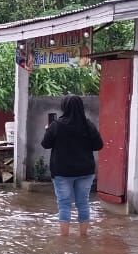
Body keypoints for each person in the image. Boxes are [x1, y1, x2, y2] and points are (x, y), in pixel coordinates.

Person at [40, 95, 104, 237]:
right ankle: (83, 237)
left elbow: (45, 144)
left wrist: (48, 130)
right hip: (85, 171)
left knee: (64, 204)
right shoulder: (88, 125)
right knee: (83, 203)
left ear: (64, 107)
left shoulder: (56, 125)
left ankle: (64, 239)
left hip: (62, 172)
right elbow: (99, 145)